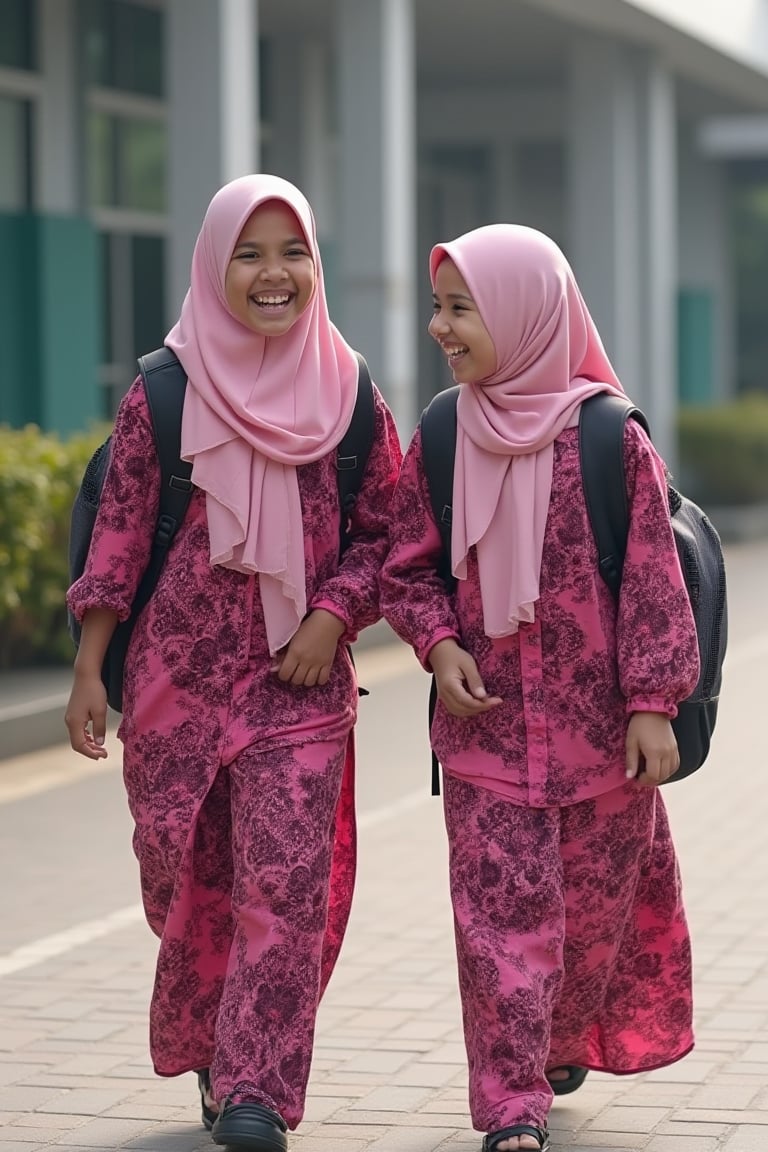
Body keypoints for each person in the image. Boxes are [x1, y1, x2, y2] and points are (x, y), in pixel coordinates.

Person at [65, 174, 402, 1152]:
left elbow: (390, 530)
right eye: (249, 253)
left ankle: (258, 1089)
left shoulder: (349, 392)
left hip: (298, 685)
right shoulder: (162, 392)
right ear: (216, 267)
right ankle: (219, 1051)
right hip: (174, 692)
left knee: (285, 890)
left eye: (291, 252)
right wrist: (92, 672)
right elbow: (120, 536)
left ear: (315, 266)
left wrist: (332, 618)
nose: (273, 274)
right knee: (187, 887)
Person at [380, 224, 700, 1152]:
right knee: (499, 930)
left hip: (603, 744)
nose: (441, 328)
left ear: (525, 312)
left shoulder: (609, 436)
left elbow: (651, 580)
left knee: (592, 926)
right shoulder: (444, 430)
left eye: (461, 308)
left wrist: (653, 705)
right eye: (438, 307)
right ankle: (510, 1103)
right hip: (485, 741)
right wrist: (439, 647)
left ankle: (556, 1041)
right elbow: (408, 567)